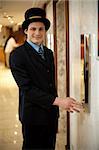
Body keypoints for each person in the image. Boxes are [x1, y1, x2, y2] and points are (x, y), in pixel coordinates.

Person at [9, 8, 83, 150]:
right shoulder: (18, 55)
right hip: (33, 117)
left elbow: (49, 85)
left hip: (50, 114)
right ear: (26, 31)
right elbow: (28, 89)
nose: (37, 33)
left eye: (41, 29)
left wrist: (58, 105)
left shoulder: (49, 53)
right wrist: (61, 101)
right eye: (33, 29)